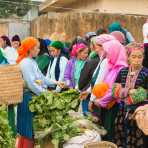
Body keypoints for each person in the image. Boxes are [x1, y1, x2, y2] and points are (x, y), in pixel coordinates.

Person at [16, 37, 61, 147]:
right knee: (27, 129)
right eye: (37, 48)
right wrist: (46, 94)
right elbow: (31, 84)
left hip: (32, 98)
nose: (39, 50)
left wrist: (56, 82)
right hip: (28, 99)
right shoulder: (26, 63)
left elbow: (42, 78)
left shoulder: (32, 61)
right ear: (30, 49)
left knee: (28, 130)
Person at [90, 40, 128, 141]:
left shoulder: (122, 68)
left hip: (113, 106)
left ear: (115, 52)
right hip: (106, 105)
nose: (107, 56)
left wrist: (100, 101)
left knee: (111, 132)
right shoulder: (113, 66)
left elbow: (114, 90)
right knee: (106, 132)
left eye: (109, 53)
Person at [113, 42, 148, 148]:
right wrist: (128, 91)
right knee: (122, 140)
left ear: (143, 57)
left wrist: (123, 94)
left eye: (139, 57)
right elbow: (114, 92)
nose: (137, 60)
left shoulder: (146, 73)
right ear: (128, 58)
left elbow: (141, 95)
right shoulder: (122, 72)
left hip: (138, 114)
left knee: (137, 142)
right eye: (133, 56)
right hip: (122, 112)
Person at [64, 43, 89, 114]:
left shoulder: (88, 62)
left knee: (84, 112)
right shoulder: (70, 62)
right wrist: (70, 86)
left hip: (84, 91)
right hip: (73, 91)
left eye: (87, 53)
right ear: (78, 53)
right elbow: (66, 76)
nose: (87, 55)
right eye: (85, 53)